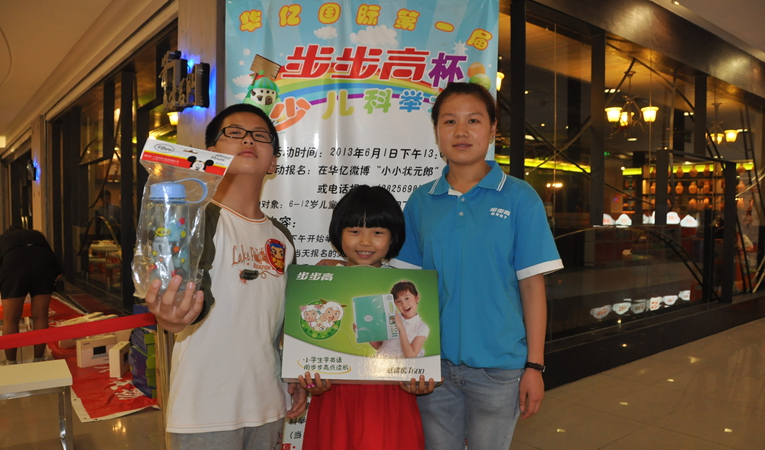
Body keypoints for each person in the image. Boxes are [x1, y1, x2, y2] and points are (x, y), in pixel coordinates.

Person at [392, 82, 563, 450]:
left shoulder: (520, 198)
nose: (461, 131)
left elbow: (532, 287)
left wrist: (535, 366)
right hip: (434, 367)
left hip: (499, 369)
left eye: (473, 120)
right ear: (436, 131)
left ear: (492, 129)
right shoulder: (421, 201)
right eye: (449, 121)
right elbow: (404, 286)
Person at [145, 103, 306, 450]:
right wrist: (170, 316)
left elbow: (280, 323)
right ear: (211, 153)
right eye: (234, 133)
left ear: (273, 162)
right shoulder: (192, 221)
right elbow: (177, 309)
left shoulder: (282, 238)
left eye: (260, 136)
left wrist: (294, 372)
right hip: (204, 410)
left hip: (268, 404)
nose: (248, 139)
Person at [298, 185, 436, 450]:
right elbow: (305, 354)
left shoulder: (402, 286)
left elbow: (396, 351)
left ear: (393, 237)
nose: (365, 242)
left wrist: (421, 380)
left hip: (391, 398)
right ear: (338, 233)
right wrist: (310, 382)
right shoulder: (320, 281)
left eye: (377, 232)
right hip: (335, 397)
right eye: (354, 231)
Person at [0, 225, 63, 365]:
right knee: (40, 316)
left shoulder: (3, 239)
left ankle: (10, 362)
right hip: (43, 261)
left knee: (11, 319)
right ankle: (39, 359)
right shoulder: (37, 235)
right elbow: (57, 270)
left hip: (13, 262)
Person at [372, 281, 429, 358]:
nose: (404, 304)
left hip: (403, 365)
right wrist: (364, 334)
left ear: (417, 298)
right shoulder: (391, 318)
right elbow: (381, 347)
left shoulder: (422, 327)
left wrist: (401, 328)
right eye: (398, 301)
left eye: (407, 298)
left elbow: (410, 355)